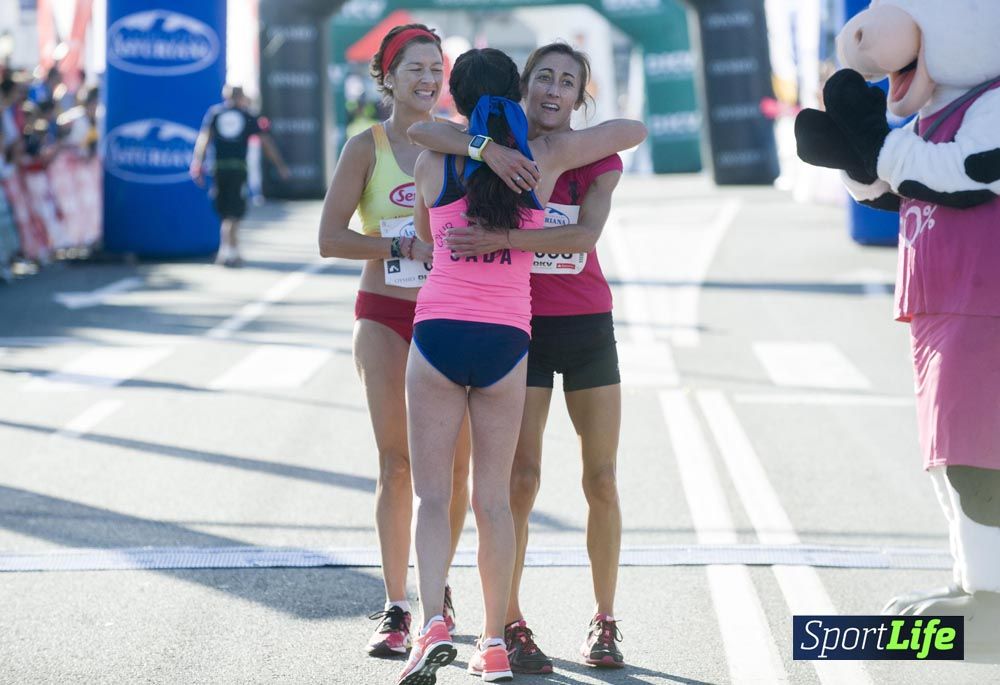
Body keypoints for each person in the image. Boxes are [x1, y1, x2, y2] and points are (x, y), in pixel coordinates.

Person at [396, 46, 645, 685]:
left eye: (569, 81)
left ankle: (445, 624)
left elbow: (429, 237)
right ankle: (500, 634)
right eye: (545, 78)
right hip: (512, 334)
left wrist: (494, 213)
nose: (556, 89)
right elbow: (424, 126)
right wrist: (489, 149)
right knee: (506, 493)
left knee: (442, 495)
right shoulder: (520, 152)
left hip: (508, 325)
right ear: (521, 87)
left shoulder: (453, 158)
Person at [316, 25, 471, 658]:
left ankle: (439, 589)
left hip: (453, 314)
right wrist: (400, 244)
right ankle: (397, 605)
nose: (429, 78)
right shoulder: (366, 146)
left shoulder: (465, 144)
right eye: (415, 68)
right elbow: (329, 238)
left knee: (456, 468)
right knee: (397, 462)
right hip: (383, 312)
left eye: (437, 68)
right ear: (389, 75)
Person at [190, 85, 290, 267]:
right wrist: (280, 165)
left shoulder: (215, 113)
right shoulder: (248, 116)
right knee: (234, 213)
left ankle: (226, 249)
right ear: (240, 97)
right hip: (237, 168)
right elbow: (266, 143)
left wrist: (197, 163)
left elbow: (204, 139)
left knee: (225, 211)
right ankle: (230, 251)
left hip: (219, 168)